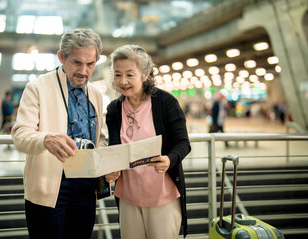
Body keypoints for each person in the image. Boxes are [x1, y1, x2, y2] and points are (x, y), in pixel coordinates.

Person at [11, 28, 106, 239]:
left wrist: (108, 162)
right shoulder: (37, 87)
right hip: (50, 188)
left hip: (86, 188)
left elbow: (100, 138)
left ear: (97, 60)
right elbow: (20, 134)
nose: (84, 70)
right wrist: (45, 139)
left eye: (90, 64)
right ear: (62, 57)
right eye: (76, 62)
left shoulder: (97, 94)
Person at [105, 45, 191, 239]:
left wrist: (169, 159)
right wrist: (110, 167)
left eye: (129, 74)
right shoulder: (114, 109)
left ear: (146, 74)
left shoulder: (165, 102)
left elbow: (183, 143)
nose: (123, 81)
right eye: (117, 75)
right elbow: (114, 148)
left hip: (162, 195)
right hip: (128, 196)